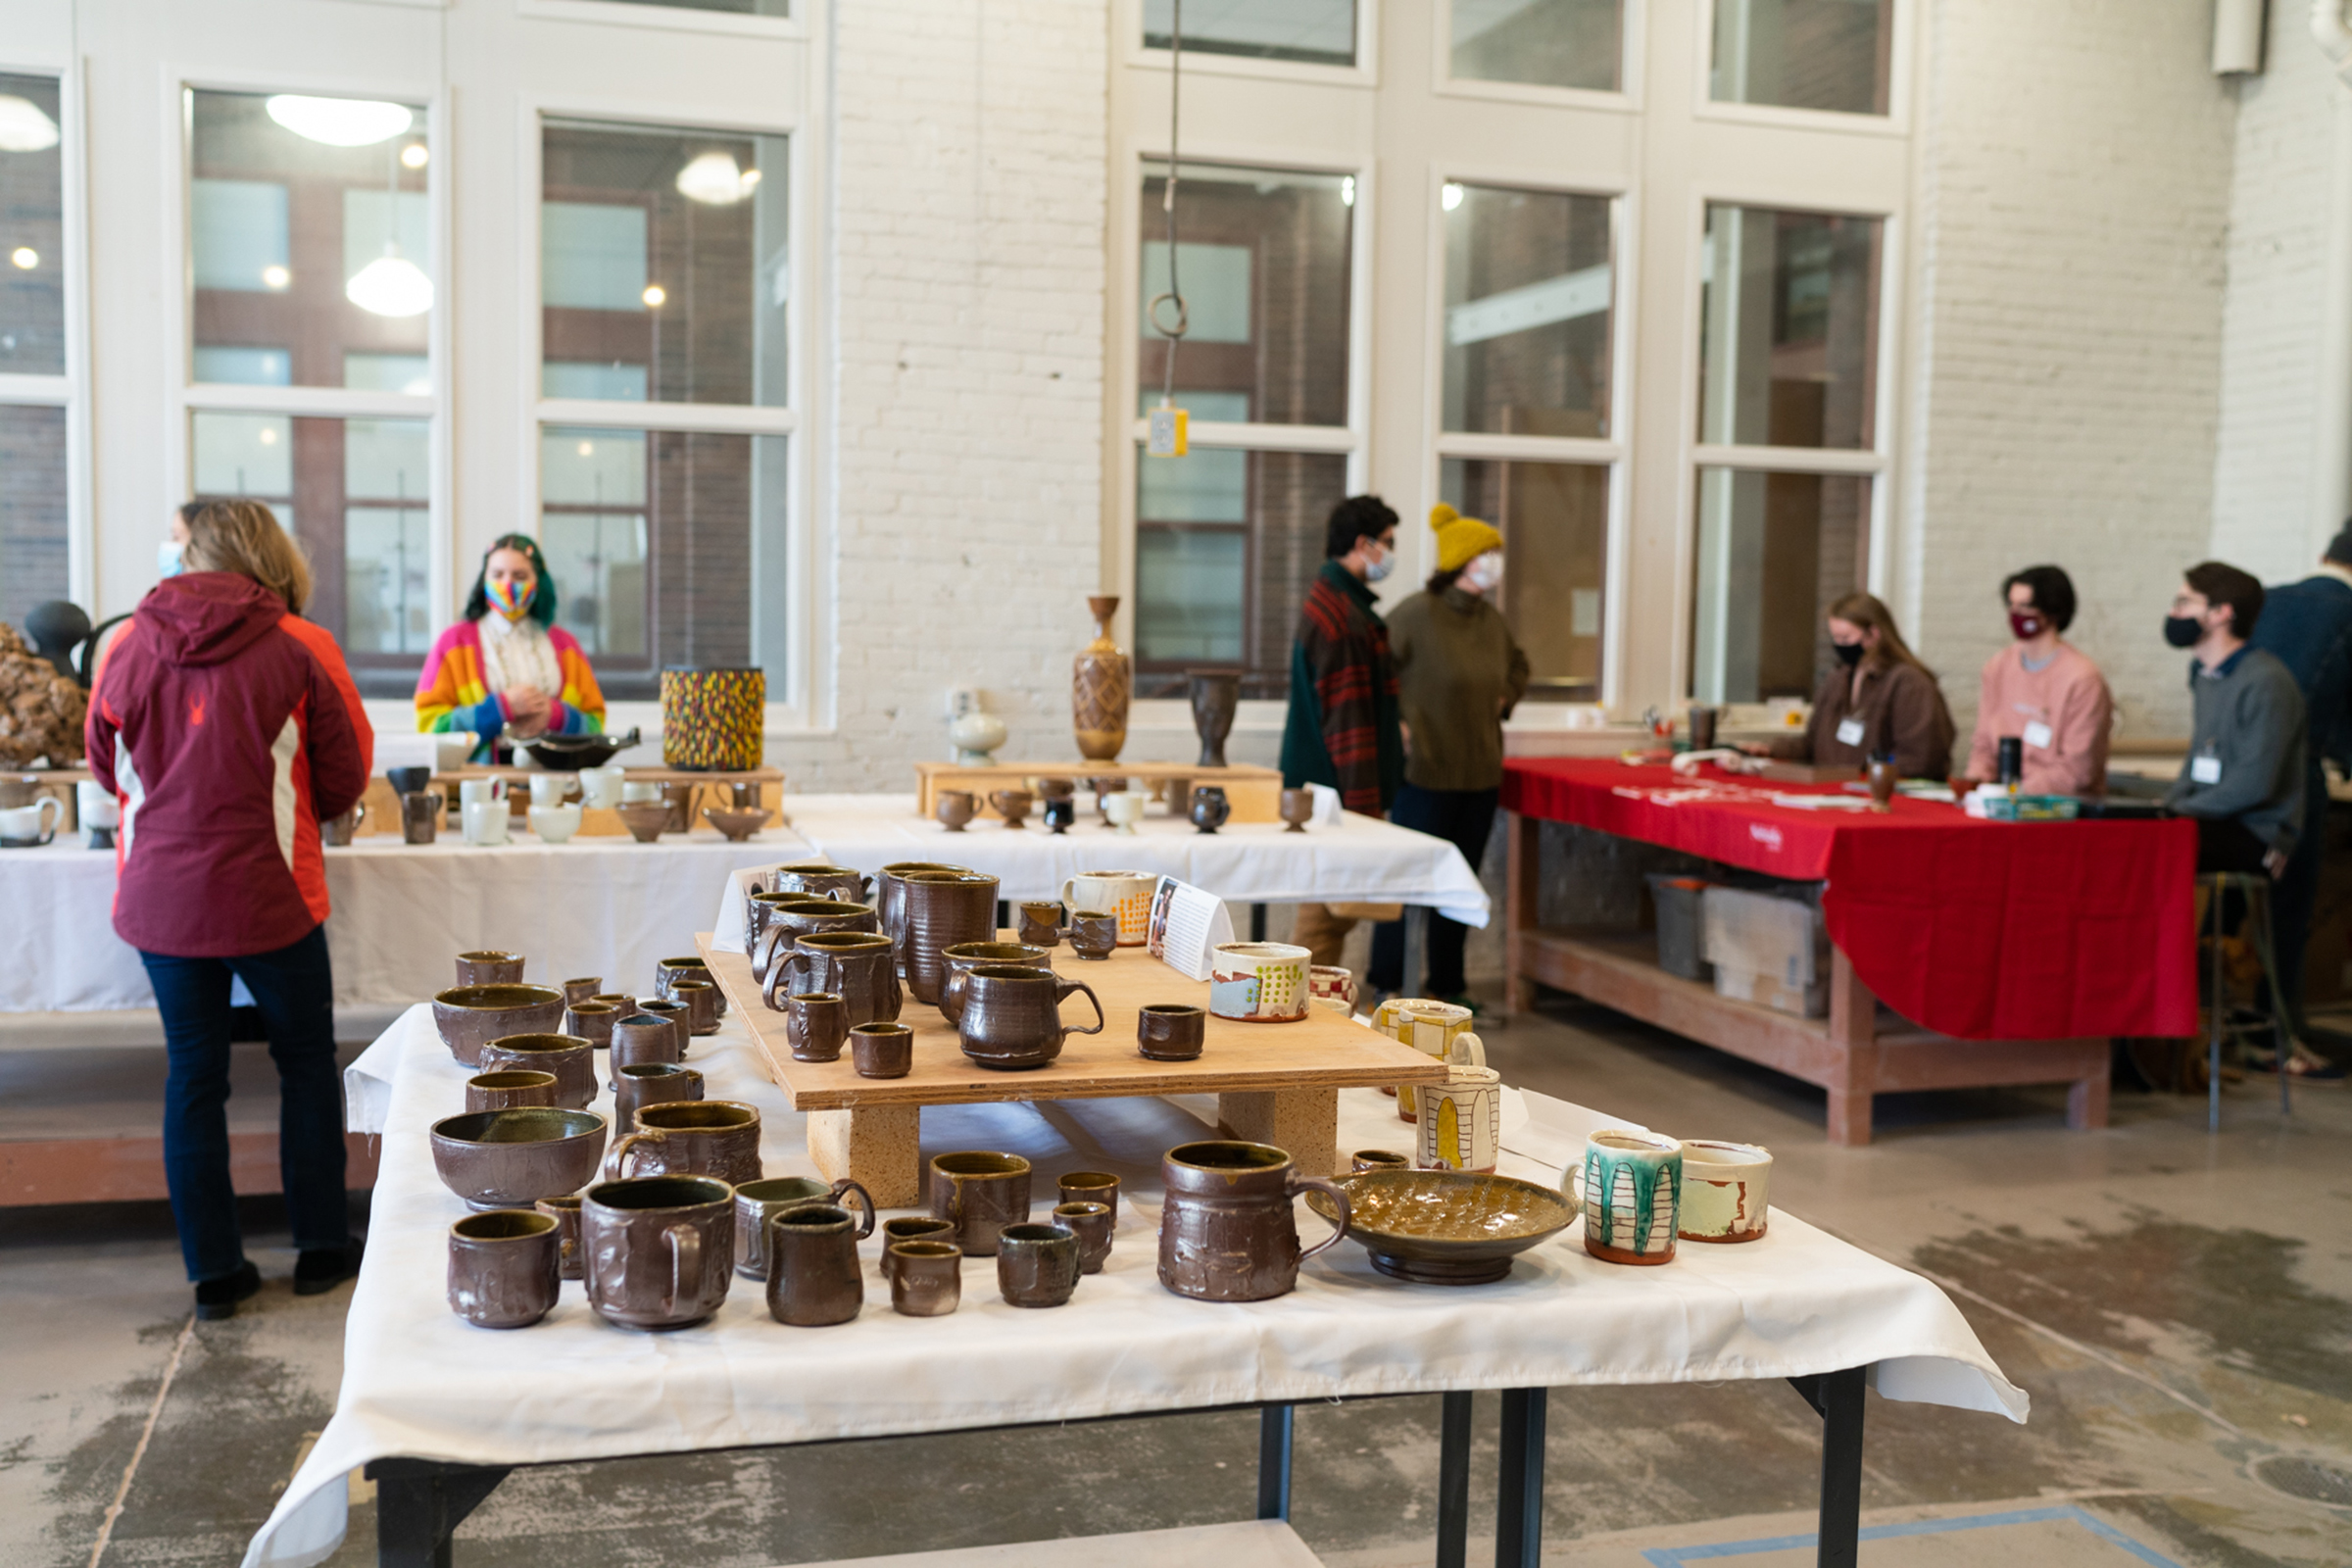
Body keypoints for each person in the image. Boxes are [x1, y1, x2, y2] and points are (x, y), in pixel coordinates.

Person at [85, 500, 374, 1320]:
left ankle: (215, 1274)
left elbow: (106, 769)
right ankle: (320, 1249)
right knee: (307, 1067)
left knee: (194, 1076)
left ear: (199, 550)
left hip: (162, 901)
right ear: (264, 551)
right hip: (271, 889)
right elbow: (348, 772)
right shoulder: (301, 644)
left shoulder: (124, 644)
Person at [1367, 505, 1529, 1010]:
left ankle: (1447, 986)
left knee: (1460, 890)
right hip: (1425, 775)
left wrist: (1506, 694)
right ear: (1462, 560)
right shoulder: (1415, 614)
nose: (1494, 562)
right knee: (1407, 885)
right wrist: (1394, 724)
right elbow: (1374, 669)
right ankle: (1386, 985)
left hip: (1479, 773)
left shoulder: (1492, 621)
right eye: (1487, 553)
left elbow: (1519, 665)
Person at [1281, 495, 1407, 972]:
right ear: (1363, 543)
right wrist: (1366, 817)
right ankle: (1301, 1016)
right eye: (1389, 543)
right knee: (1326, 920)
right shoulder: (1346, 620)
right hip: (1337, 795)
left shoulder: (1331, 602)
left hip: (1320, 789)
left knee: (1327, 915)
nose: (1392, 554)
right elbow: (1348, 726)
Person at [2248, 527, 2352, 1061]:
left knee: (2245, 906)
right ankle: (2278, 1034)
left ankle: (2233, 1022)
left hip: (2241, 779)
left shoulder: (2265, 600)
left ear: (2324, 555)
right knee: (2290, 911)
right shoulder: (2347, 614)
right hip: (2298, 777)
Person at [2165, 562, 2307, 878]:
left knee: (2150, 849)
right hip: (2214, 821)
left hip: (2257, 833)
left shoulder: (2266, 681)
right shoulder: (2204, 677)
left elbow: (2254, 785)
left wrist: (2177, 811)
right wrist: (2164, 808)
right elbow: (2197, 759)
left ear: (2220, 613)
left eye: (2185, 603)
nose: (2175, 613)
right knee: (2130, 835)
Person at [416, 534, 605, 760]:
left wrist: (556, 717)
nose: (507, 584)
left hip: (554, 782)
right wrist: (498, 709)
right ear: (484, 580)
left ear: (538, 581)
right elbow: (429, 728)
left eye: (519, 576)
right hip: (479, 785)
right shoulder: (454, 643)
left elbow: (596, 727)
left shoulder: (567, 646)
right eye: (497, 575)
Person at [1754, 592, 1955, 778]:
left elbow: (1924, 758)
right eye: (1835, 638)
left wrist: (1864, 770)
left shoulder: (1909, 682)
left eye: (1846, 638)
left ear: (1873, 634)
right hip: (1832, 787)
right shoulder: (1838, 678)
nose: (1840, 645)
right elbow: (1812, 743)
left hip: (1883, 793)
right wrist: (1771, 749)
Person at [1960, 564, 2113, 795]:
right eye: (2011, 605)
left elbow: (2077, 770)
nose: (2015, 613)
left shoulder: (2082, 679)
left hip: (2057, 809)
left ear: (2052, 611)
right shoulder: (1998, 667)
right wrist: (1975, 785)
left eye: (2025, 606)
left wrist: (2015, 793)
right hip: (1998, 799)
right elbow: (1983, 745)